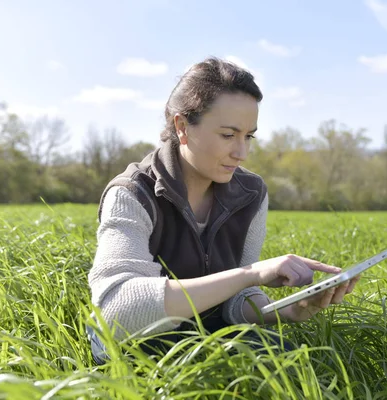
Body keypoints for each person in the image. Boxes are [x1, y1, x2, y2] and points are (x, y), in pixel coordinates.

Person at [86, 56, 360, 365]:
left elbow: (234, 301)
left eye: (249, 136)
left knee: (287, 362)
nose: (242, 153)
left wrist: (289, 311)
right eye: (228, 135)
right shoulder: (132, 193)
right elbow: (116, 313)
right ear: (182, 127)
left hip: (209, 329)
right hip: (137, 339)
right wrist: (250, 274)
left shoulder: (252, 194)